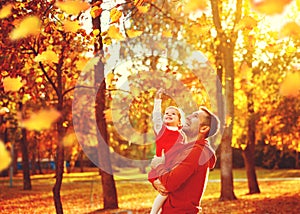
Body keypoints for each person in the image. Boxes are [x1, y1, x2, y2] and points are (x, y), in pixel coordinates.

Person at [149, 106, 220, 213]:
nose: (188, 117)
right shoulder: (183, 149)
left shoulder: (197, 152)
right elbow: (165, 179)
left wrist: (158, 165)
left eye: (195, 116)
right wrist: (154, 181)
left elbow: (169, 183)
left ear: (204, 129)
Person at [149, 88, 187, 214]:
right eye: (166, 113)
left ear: (179, 120)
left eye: (173, 114)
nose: (169, 115)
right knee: (165, 191)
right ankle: (153, 212)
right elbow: (156, 118)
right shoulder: (161, 130)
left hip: (174, 167)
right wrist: (158, 100)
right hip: (162, 165)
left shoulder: (182, 135)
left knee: (171, 193)